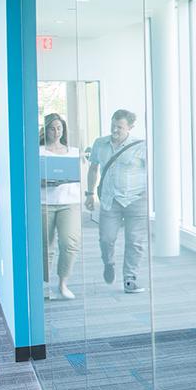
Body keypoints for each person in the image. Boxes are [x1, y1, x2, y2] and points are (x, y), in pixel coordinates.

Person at [86, 109, 148, 293]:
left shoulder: (141, 146)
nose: (115, 130)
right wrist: (89, 194)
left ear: (130, 127)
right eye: (113, 125)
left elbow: (153, 172)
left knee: (135, 241)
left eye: (119, 127)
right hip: (110, 200)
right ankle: (109, 262)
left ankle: (130, 278)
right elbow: (93, 169)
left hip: (136, 200)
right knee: (106, 239)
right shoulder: (100, 143)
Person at [40, 113, 83, 300]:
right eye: (52, 128)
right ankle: (43, 284)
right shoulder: (38, 151)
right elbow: (30, 178)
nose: (56, 132)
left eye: (59, 128)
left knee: (70, 243)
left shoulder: (73, 151)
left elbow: (79, 176)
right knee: (44, 246)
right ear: (45, 130)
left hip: (69, 203)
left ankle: (63, 283)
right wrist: (44, 182)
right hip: (44, 203)